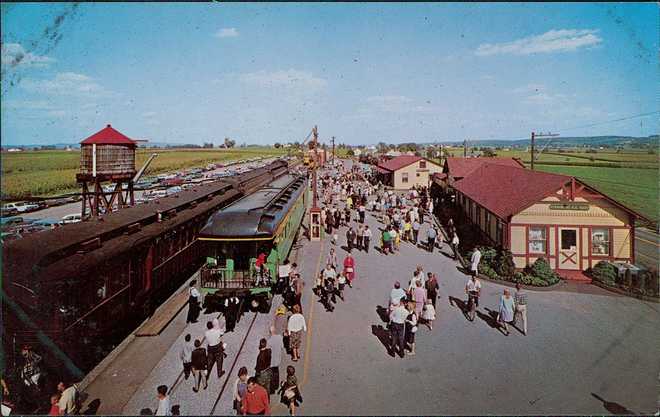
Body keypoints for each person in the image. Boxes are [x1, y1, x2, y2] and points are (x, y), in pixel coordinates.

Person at [267, 326, 283, 395]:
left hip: (272, 360)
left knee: (271, 374)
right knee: (276, 372)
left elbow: (268, 352)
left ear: (270, 332)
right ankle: (276, 385)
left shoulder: (269, 341)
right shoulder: (279, 337)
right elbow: (282, 347)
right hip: (278, 358)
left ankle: (272, 387)